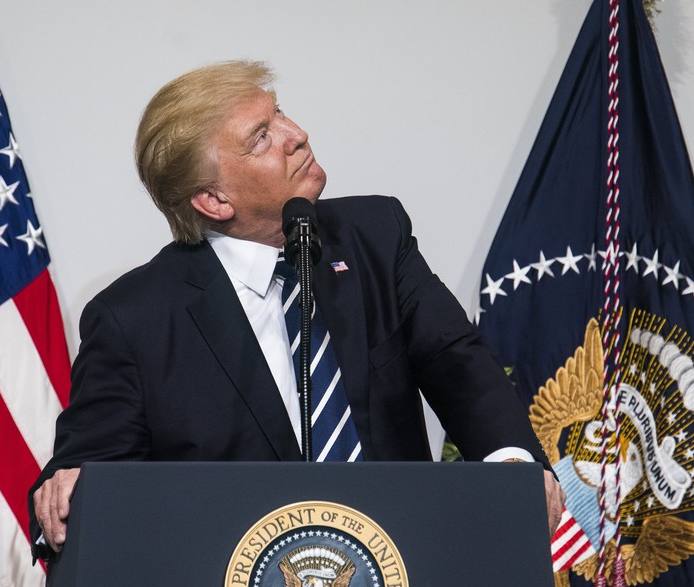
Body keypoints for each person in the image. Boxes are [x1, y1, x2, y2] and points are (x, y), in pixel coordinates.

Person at [28, 60, 564, 557]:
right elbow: (87, 472)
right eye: (261, 137)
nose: (296, 134)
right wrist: (66, 491)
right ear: (214, 200)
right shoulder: (135, 320)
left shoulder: (375, 236)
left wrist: (511, 467)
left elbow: (457, 361)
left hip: (401, 564)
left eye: (278, 112)